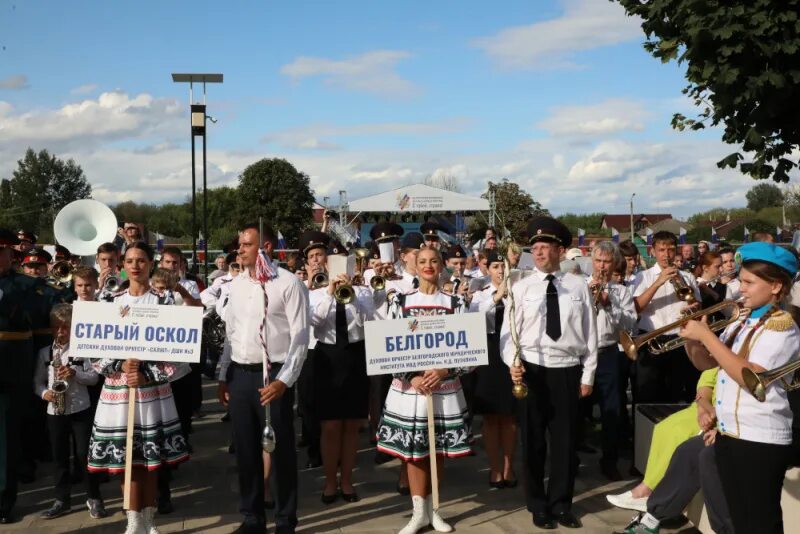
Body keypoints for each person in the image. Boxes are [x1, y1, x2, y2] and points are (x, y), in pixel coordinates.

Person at [679, 241, 800, 534]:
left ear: (775, 286)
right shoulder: (742, 321)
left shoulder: (782, 327)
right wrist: (691, 339)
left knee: (760, 521)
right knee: (739, 519)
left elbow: (751, 377)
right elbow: (708, 365)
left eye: (748, 282)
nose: (740, 288)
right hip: (730, 432)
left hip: (760, 439)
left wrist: (708, 337)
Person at [501, 216, 597, 530]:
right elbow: (508, 333)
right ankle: (537, 504)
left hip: (567, 370)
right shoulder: (520, 286)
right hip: (531, 370)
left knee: (565, 444)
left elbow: (590, 333)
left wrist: (588, 375)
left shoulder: (578, 284)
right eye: (536, 248)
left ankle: (561, 504)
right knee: (533, 442)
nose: (540, 254)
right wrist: (511, 362)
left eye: (546, 247)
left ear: (560, 249)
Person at [87, 242, 189, 534]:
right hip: (119, 391)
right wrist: (118, 367)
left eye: (141, 260)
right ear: (122, 263)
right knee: (126, 456)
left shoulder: (165, 300)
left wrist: (149, 374)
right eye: (130, 260)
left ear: (150, 263)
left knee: (150, 457)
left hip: (152, 391)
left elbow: (178, 352)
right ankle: (132, 519)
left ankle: (149, 517)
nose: (135, 266)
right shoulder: (108, 299)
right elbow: (93, 346)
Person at [218, 224, 309, 534]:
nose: (239, 249)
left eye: (246, 244)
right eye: (239, 244)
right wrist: (224, 375)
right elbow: (231, 334)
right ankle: (253, 517)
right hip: (240, 376)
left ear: (266, 247)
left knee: (279, 451)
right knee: (245, 451)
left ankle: (285, 520)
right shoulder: (236, 284)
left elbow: (300, 337)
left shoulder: (288, 283)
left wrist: (284, 381)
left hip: (273, 376)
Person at [376, 246, 470, 534]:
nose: (428, 265)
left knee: (437, 451)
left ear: (441, 265)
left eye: (433, 261)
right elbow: (387, 346)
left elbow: (469, 351)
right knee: (415, 452)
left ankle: (435, 510)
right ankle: (418, 513)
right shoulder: (400, 301)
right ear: (413, 266)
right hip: (411, 390)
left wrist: (443, 371)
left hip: (444, 389)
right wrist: (413, 376)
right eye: (422, 261)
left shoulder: (456, 303)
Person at [305, 232, 375, 504]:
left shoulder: (363, 292)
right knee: (331, 425)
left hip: (356, 354)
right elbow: (315, 322)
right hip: (328, 356)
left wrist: (353, 294)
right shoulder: (315, 294)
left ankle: (347, 480)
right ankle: (329, 481)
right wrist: (331, 293)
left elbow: (367, 319)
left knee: (351, 424)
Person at [607, 368, 718, 512]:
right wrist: (703, 411)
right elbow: (707, 380)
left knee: (679, 433)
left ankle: (648, 491)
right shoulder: (727, 351)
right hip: (702, 408)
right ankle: (649, 487)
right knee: (663, 427)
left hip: (721, 414)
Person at [35, 303, 107, 520]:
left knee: (84, 455)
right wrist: (44, 393)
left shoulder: (83, 350)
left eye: (65, 327)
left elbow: (94, 378)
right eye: (56, 327)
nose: (60, 332)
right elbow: (36, 382)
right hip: (55, 411)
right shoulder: (44, 353)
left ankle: (94, 498)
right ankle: (61, 500)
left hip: (80, 409)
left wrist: (75, 373)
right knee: (59, 458)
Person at [631, 231, 701, 404]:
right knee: (647, 392)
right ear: (653, 251)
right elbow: (636, 308)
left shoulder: (687, 277)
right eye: (661, 250)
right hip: (651, 339)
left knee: (674, 392)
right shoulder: (643, 277)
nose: (666, 255)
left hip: (679, 340)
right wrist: (658, 282)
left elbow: (698, 308)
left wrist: (693, 306)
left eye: (670, 250)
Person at [468, 250, 517, 489]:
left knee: (508, 416)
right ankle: (495, 467)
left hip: (511, 352)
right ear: (487, 270)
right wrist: (496, 297)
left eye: (503, 266)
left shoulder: (519, 293)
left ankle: (509, 467)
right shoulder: (480, 295)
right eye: (495, 266)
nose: (500, 270)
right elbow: (472, 318)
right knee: (490, 416)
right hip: (487, 353)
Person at [588, 242, 636, 481]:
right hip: (580, 353)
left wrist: (609, 304)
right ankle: (572, 458)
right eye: (598, 261)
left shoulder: (621, 292)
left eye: (607, 262)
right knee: (575, 408)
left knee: (612, 409)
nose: (602, 267)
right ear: (591, 261)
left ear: (614, 263)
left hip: (608, 352)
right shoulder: (579, 286)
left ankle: (610, 460)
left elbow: (629, 324)